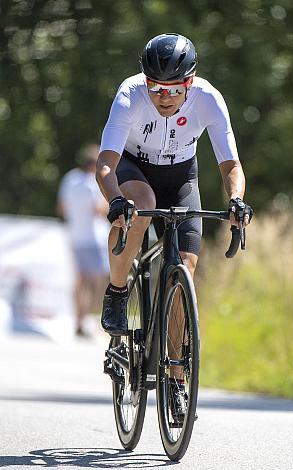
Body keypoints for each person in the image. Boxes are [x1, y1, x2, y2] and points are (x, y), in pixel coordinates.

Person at [96, 33, 253, 416]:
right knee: (142, 204)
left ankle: (176, 379)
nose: (163, 97)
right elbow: (105, 166)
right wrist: (116, 201)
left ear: (191, 83)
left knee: (185, 269)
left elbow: (230, 164)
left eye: (173, 90)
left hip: (182, 176)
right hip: (136, 169)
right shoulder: (130, 95)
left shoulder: (209, 100)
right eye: (156, 88)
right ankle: (117, 292)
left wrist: (235, 201)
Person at [57, 144, 110, 337]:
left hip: (75, 235)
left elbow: (62, 209)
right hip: (94, 238)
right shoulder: (93, 182)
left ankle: (78, 320)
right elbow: (100, 209)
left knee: (79, 281)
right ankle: (89, 318)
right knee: (98, 281)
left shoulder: (69, 179)